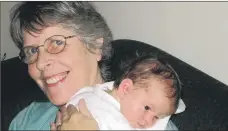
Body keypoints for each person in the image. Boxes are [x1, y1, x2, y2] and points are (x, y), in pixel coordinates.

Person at [8, 1, 179, 130]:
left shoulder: (149, 121)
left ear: (95, 46)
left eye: (57, 42)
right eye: (32, 51)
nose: (40, 62)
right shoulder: (27, 119)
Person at [51, 55, 185, 130]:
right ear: (125, 88)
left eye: (156, 117)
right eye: (147, 108)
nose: (147, 122)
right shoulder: (99, 106)